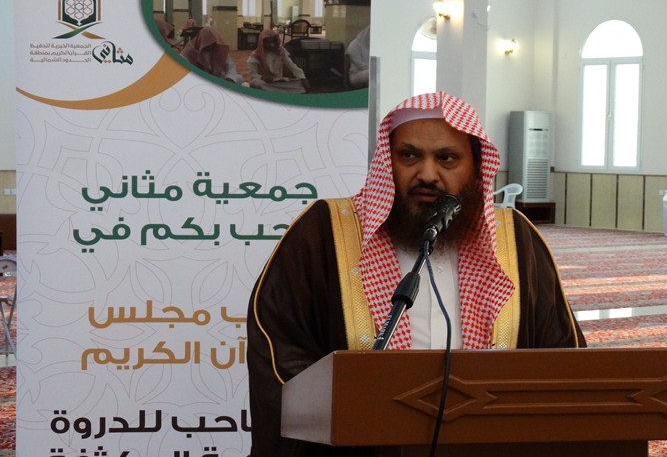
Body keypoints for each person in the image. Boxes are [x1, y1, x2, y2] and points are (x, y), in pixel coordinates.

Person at [246, 91, 586, 457]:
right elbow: (280, 346)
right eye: (409, 156)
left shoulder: (514, 238)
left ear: (475, 166)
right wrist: (353, 413)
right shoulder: (324, 232)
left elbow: (562, 356)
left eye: (447, 158)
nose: (427, 174)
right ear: (387, 162)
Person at [248, 29, 309, 94]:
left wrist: (302, 78)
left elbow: (292, 66)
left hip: (277, 81)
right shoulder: (256, 55)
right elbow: (253, 74)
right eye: (267, 42)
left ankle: (272, 91)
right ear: (262, 42)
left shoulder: (280, 51)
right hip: (264, 82)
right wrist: (263, 78)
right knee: (255, 83)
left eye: (273, 42)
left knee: (299, 83)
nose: (271, 45)